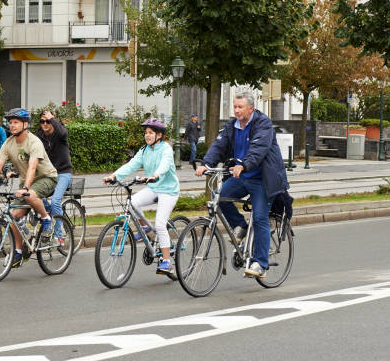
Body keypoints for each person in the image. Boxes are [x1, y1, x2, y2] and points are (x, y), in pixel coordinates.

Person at [195, 90, 289, 278]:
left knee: (260, 218)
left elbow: (259, 148)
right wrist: (206, 164)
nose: (236, 111)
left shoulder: (263, 124)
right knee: (219, 198)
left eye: (240, 107)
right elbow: (219, 146)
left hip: (263, 179)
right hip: (242, 177)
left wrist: (244, 165)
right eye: (235, 107)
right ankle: (241, 225)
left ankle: (260, 263)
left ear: (251, 108)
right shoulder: (232, 125)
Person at [0, 108, 58, 268]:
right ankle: (19, 252)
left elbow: (32, 167)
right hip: (27, 183)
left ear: (25, 124)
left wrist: (26, 187)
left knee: (29, 195)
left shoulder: (34, 142)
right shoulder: (8, 143)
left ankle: (46, 219)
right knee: (14, 216)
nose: (12, 125)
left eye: (16, 122)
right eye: (10, 122)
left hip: (46, 178)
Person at [103, 118, 180, 274]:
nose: (147, 135)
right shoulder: (144, 150)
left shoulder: (166, 148)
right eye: (146, 133)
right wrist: (114, 176)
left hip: (168, 190)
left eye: (150, 133)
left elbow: (165, 164)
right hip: (153, 187)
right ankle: (145, 227)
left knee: (159, 224)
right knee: (131, 203)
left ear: (159, 135)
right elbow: (132, 165)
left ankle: (166, 262)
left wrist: (156, 175)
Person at [35, 109, 73, 243]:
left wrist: (52, 119)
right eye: (42, 121)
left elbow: (62, 131)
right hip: (48, 175)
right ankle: (49, 212)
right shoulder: (39, 136)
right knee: (34, 195)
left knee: (56, 200)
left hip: (63, 173)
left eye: (48, 121)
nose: (45, 124)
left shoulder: (60, 133)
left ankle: (59, 234)